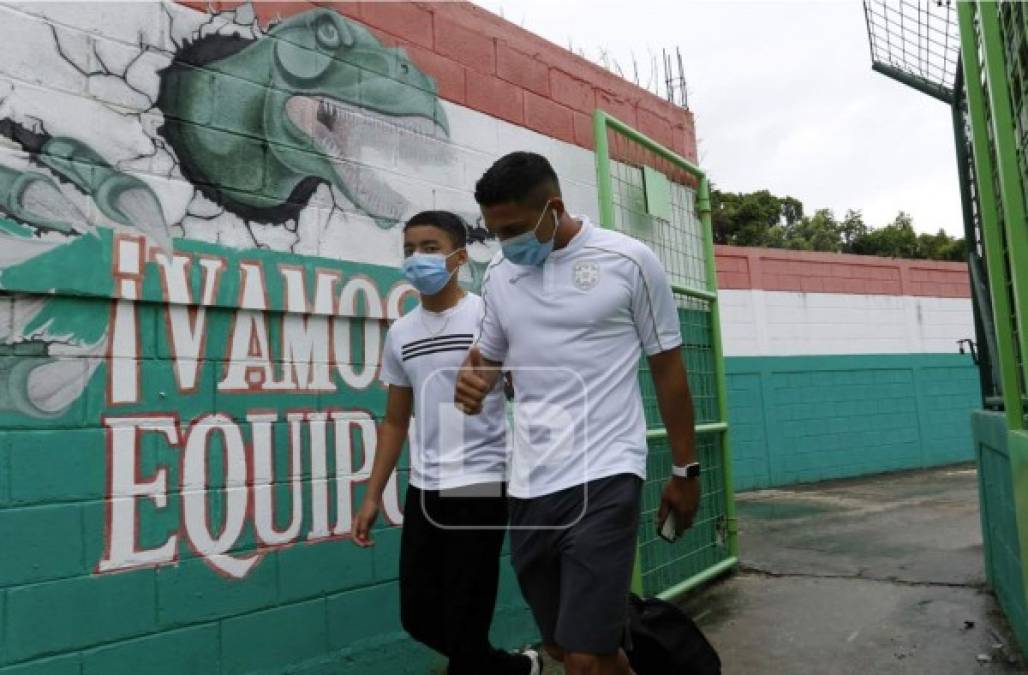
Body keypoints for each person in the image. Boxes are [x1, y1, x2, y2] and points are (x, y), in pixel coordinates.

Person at [455, 152, 702, 675]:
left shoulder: (629, 261)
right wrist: (475, 381)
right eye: (496, 232)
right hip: (530, 484)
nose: (506, 243)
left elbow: (669, 369)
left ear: (554, 208)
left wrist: (685, 469)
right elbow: (490, 360)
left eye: (516, 229)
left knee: (584, 658)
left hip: (606, 473)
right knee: (569, 649)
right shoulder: (499, 273)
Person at [352, 210, 540, 675]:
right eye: (409, 249)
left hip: (480, 481)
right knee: (417, 617)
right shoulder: (401, 333)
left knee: (464, 620)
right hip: (426, 485)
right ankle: (513, 670)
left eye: (430, 248)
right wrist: (372, 494)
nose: (417, 258)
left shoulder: (485, 316)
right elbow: (396, 421)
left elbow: (529, 389)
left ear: (458, 256)